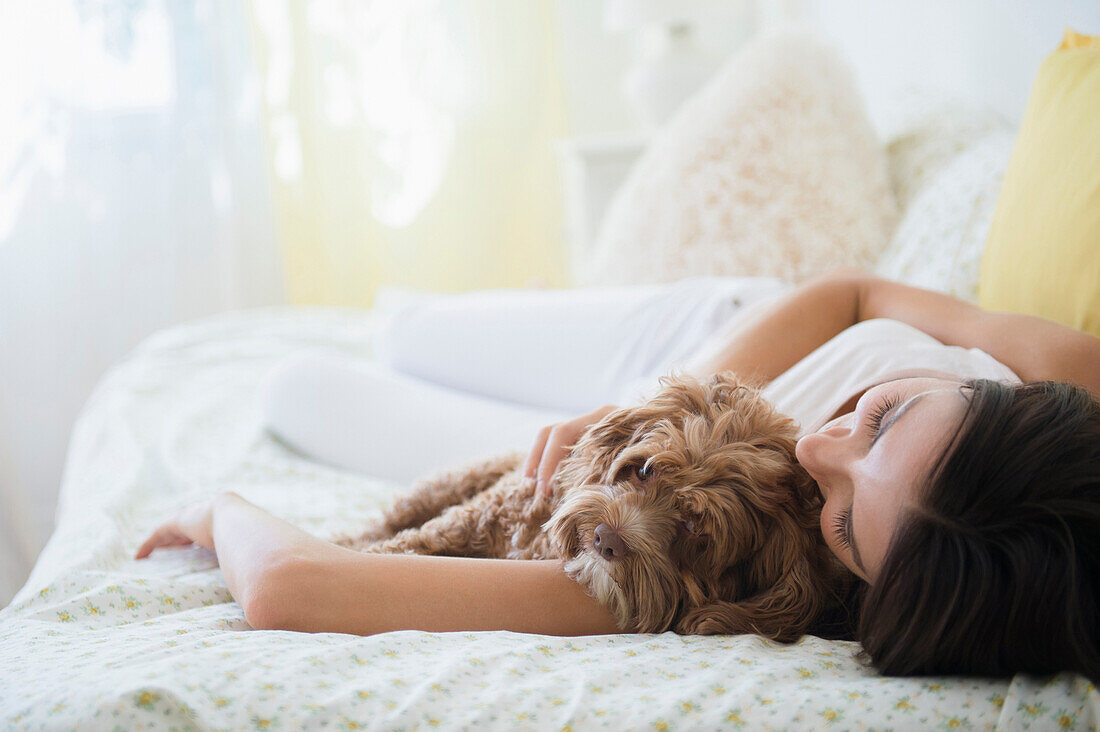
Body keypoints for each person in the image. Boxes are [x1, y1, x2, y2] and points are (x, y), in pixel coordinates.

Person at [134, 268, 1100, 680]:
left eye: (847, 521)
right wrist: (648, 405)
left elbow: (296, 588)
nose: (816, 451)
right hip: (696, 348)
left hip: (640, 480)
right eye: (884, 416)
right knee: (405, 327)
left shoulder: (739, 574)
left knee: (298, 389)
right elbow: (852, 293)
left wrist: (220, 509)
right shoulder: (1075, 386)